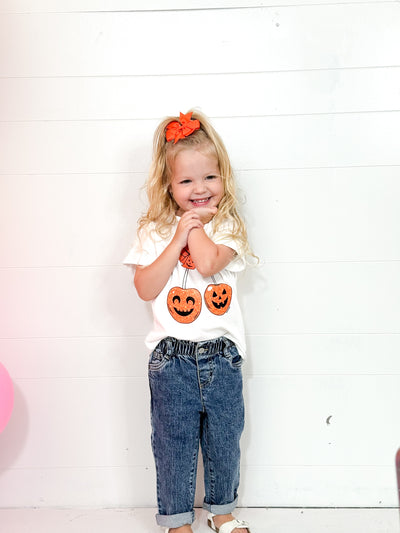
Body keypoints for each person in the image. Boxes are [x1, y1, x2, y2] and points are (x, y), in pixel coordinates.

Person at [123, 110, 253, 533]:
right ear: (168, 185)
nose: (200, 189)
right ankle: (178, 521)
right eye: (186, 182)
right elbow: (145, 286)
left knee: (224, 441)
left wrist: (193, 225)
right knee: (173, 445)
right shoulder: (153, 231)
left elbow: (208, 261)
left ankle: (222, 512)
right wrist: (176, 233)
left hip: (222, 357)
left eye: (210, 178)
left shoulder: (229, 225)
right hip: (171, 360)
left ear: (223, 177)